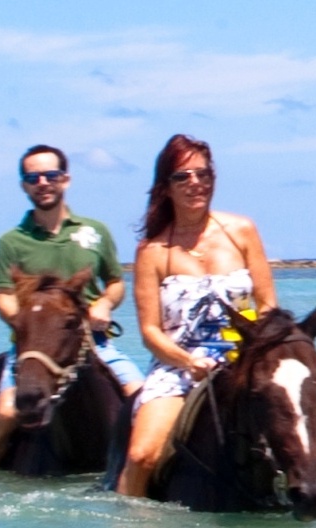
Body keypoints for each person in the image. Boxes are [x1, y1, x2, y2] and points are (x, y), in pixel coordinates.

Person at [117, 134, 276, 501]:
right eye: (182, 176)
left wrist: (256, 352)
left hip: (244, 358)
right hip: (179, 366)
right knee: (142, 456)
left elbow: (267, 305)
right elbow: (150, 332)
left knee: (306, 424)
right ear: (165, 187)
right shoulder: (152, 251)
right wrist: (190, 362)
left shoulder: (242, 232)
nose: (195, 184)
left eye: (203, 174)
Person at [0, 146, 130, 468]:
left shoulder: (94, 232)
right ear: (24, 186)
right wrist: (33, 323)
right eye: (33, 177)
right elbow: (4, 297)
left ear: (66, 180)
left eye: (51, 175)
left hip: (93, 343)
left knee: (139, 399)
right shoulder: (10, 242)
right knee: (5, 412)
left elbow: (116, 282)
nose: (42, 182)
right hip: (32, 349)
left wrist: (103, 303)